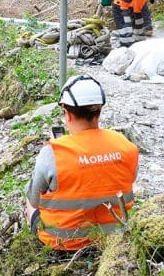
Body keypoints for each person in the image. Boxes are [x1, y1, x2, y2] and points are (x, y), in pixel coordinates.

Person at [25, 75, 138, 251]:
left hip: (61, 243)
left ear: (68, 114)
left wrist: (55, 149)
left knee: (29, 202)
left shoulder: (53, 152)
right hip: (116, 238)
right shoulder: (125, 145)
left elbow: (34, 200)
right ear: (99, 111)